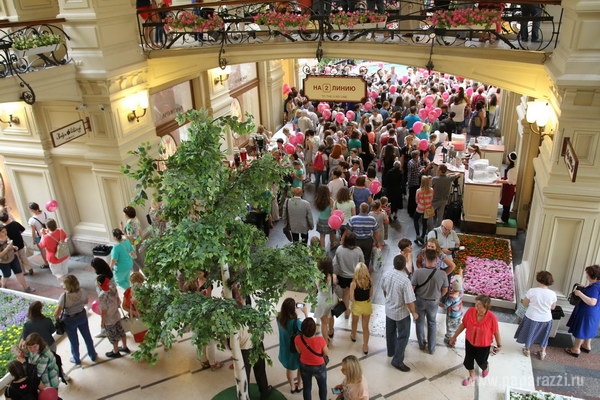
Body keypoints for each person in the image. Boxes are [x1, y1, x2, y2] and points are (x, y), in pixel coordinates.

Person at [448, 295, 502, 386]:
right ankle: (472, 376)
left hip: (484, 345)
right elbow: (463, 325)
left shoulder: (492, 318)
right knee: (468, 361)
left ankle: (486, 367)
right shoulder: (470, 311)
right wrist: (454, 337)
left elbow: (496, 332)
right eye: (476, 303)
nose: (476, 305)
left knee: (481, 361)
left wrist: (499, 345)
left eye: (479, 304)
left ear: (485, 305)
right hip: (469, 342)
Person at [381, 254, 418, 372]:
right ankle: (397, 360)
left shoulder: (386, 274)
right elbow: (409, 301)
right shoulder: (405, 281)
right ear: (404, 266)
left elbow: (384, 289)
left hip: (389, 310)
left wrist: (388, 300)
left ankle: (391, 351)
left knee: (390, 332)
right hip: (401, 314)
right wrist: (414, 313)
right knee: (403, 336)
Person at [411, 249, 448, 355]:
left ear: (424, 258)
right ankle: (431, 348)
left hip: (419, 301)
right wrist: (437, 296)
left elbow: (412, 288)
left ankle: (421, 345)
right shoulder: (442, 274)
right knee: (432, 323)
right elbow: (445, 291)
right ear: (436, 260)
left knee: (419, 322)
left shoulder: (418, 272)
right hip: (433, 302)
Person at [514, 271, 557, 360]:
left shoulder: (532, 291)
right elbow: (553, 307)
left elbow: (525, 304)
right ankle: (543, 352)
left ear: (539, 279)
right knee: (544, 335)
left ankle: (527, 349)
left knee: (530, 333)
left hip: (532, 317)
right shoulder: (553, 294)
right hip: (546, 318)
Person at [55, 275, 98, 365]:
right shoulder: (83, 291)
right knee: (87, 336)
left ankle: (76, 359)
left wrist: (57, 319)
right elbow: (86, 302)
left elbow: (57, 313)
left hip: (69, 320)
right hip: (82, 315)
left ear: (67, 286)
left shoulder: (64, 297)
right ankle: (93, 355)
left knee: (73, 341)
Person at [565, 265, 600, 357]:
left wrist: (580, 293)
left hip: (587, 312)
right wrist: (585, 289)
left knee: (581, 330)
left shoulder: (594, 287)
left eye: (588, 274)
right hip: (595, 312)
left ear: (594, 277)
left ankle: (575, 349)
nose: (586, 276)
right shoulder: (597, 285)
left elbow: (592, 302)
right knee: (588, 329)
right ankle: (586, 346)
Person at [278, 297, 308, 394]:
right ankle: (299, 385)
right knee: (300, 367)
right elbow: (308, 329)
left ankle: (292, 387)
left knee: (289, 369)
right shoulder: (296, 323)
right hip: (296, 350)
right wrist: (306, 313)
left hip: (285, 348)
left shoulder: (279, 318)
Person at [294, 317, 329, 400]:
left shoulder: (297, 339)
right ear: (315, 330)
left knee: (307, 387)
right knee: (322, 386)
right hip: (319, 366)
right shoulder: (320, 340)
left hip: (304, 365)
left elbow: (299, 351)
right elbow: (326, 353)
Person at [96, 274, 130, 358]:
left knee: (113, 336)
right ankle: (125, 347)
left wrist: (102, 322)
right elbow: (118, 300)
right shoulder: (113, 289)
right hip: (116, 315)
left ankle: (115, 351)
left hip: (109, 319)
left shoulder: (102, 296)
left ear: (99, 284)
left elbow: (104, 311)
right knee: (121, 331)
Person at [333, 232, 364, 319]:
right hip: (355, 277)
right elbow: (362, 264)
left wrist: (335, 274)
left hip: (343, 276)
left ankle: (346, 312)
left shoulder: (339, 249)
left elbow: (335, 263)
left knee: (345, 294)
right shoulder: (358, 250)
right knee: (355, 294)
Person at [0, 224, 35, 292]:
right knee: (7, 275)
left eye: (5, 231)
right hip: (4, 262)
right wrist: (7, 249)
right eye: (3, 231)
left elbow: (9, 244)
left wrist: (13, 247)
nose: (5, 232)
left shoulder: (6, 236)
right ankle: (3, 286)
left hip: (13, 257)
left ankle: (26, 287)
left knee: (19, 272)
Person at [344, 203, 378, 269]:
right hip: (368, 241)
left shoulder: (353, 219)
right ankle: (364, 271)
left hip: (356, 241)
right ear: (368, 210)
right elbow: (375, 232)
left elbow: (348, 232)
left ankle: (356, 270)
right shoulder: (372, 219)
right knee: (367, 258)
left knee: (355, 257)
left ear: (360, 209)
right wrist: (377, 242)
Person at [349, 263, 373, 355]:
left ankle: (353, 335)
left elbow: (351, 298)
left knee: (354, 322)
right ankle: (365, 346)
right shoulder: (370, 281)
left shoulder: (353, 283)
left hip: (357, 306)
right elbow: (371, 294)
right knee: (365, 327)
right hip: (367, 305)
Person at [313, 257, 337, 342]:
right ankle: (331, 331)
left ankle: (325, 341)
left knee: (323, 322)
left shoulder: (317, 277)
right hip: (331, 299)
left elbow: (315, 287)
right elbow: (335, 285)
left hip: (321, 300)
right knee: (331, 317)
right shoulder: (333, 276)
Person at [441, 275, 464, 346]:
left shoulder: (451, 298)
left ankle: (450, 341)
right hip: (459, 314)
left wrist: (437, 302)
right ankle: (454, 337)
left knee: (450, 328)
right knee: (456, 326)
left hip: (451, 315)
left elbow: (445, 306)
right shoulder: (461, 292)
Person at [495, 152, 518, 224]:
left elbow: (509, 181)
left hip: (509, 188)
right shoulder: (513, 167)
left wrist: (499, 181)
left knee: (506, 204)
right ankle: (503, 218)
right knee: (506, 203)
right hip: (508, 188)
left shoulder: (511, 169)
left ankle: (504, 220)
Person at [120, 206, 144, 271]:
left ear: (127, 214)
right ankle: (137, 276)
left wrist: (122, 231)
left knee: (136, 260)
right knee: (136, 261)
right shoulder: (136, 219)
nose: (123, 215)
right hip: (138, 241)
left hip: (133, 244)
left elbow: (131, 237)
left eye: (124, 213)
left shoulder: (129, 223)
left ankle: (143, 275)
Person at [27, 202, 49, 269]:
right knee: (49, 248)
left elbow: (33, 232)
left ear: (32, 210)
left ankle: (46, 263)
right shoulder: (44, 213)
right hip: (47, 233)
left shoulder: (32, 220)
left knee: (42, 250)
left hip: (39, 236)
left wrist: (33, 239)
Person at [413, 175, 434, 247]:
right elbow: (431, 199)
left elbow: (416, 201)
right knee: (424, 223)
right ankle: (422, 237)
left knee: (415, 220)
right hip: (427, 209)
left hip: (420, 208)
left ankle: (417, 235)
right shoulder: (431, 190)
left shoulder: (418, 191)